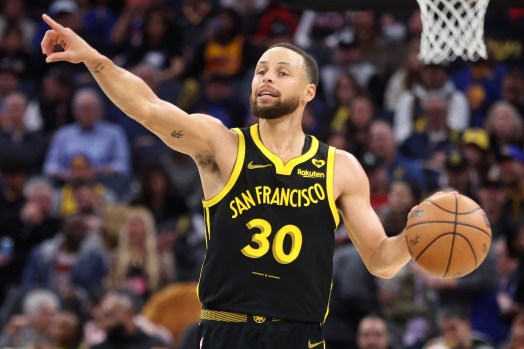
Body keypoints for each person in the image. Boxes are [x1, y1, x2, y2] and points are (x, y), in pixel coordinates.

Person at [40, 15, 413, 348]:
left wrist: (414, 239)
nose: (267, 77)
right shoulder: (222, 145)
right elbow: (148, 107)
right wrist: (94, 59)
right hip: (227, 331)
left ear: (309, 92)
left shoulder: (340, 167)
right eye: (261, 70)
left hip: (302, 334)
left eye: (282, 72)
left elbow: (381, 259)